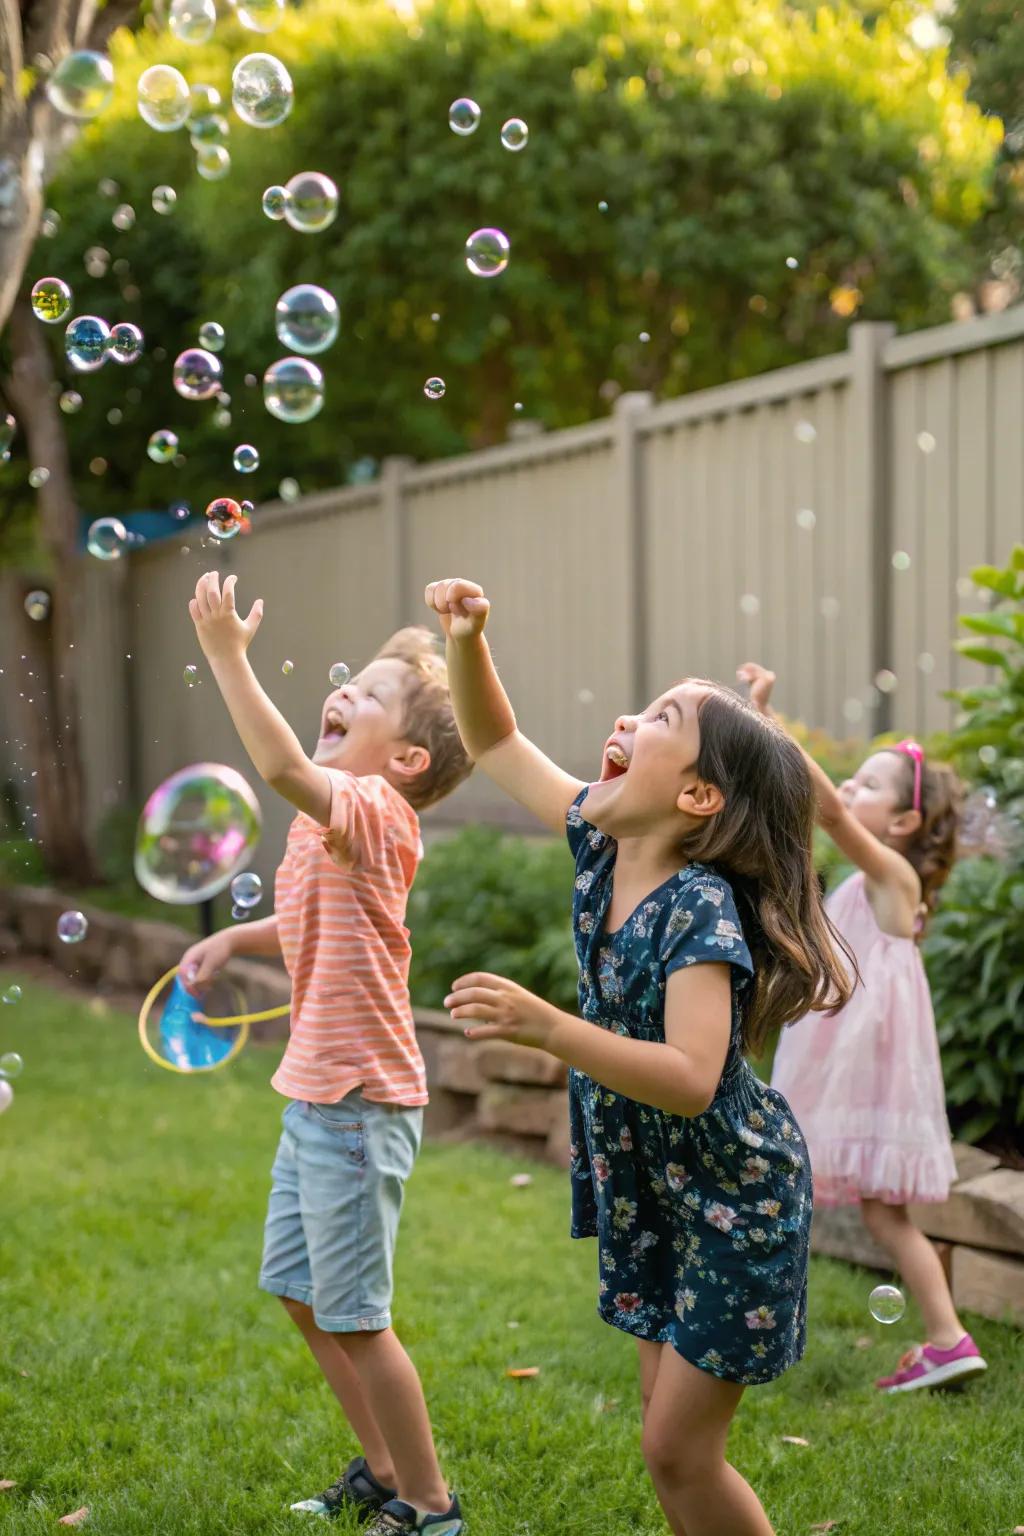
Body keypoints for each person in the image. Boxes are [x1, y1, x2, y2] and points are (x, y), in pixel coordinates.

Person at [424, 576, 853, 1536]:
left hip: (733, 1198)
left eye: (659, 718)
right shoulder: (601, 844)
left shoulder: (698, 909)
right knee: (666, 1443)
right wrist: (468, 640)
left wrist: (552, 1029)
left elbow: (693, 1079)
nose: (625, 719)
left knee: (678, 1451)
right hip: (655, 1191)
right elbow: (495, 742)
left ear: (698, 795)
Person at [182, 571, 472, 1535]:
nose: (344, 690)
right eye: (352, 681)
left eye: (372, 694)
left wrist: (227, 656)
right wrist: (235, 939)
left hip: (357, 1104)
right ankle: (385, 1470)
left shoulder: (376, 812)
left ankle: (431, 1506)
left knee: (357, 1316)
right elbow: (306, 919)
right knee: (302, 1297)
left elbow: (277, 765)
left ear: (408, 760)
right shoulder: (327, 826)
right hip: (315, 1095)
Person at [737, 661, 988, 1395]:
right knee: (881, 1214)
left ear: (905, 823)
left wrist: (768, 725)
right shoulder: (873, 880)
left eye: (870, 784)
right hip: (848, 1056)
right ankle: (945, 1338)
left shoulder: (891, 877)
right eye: (854, 778)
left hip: (863, 1065)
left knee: (865, 1206)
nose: (850, 788)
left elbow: (832, 818)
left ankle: (944, 1337)